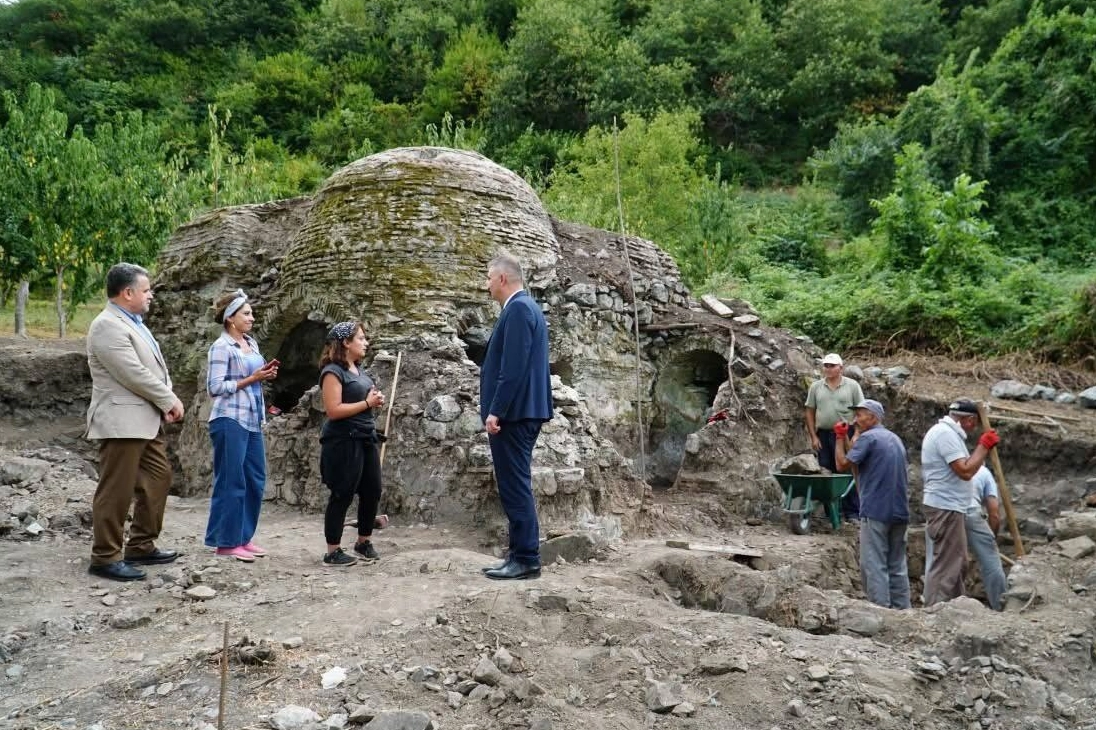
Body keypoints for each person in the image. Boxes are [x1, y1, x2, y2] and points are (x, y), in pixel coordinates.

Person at [85, 263, 185, 582]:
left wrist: (162, 399)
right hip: (121, 420)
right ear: (127, 293)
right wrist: (168, 398)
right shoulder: (106, 325)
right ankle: (105, 556)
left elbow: (150, 368)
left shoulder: (134, 322)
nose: (150, 295)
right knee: (117, 489)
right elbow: (132, 373)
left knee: (159, 477)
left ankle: (140, 544)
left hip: (144, 419)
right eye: (146, 290)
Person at [479, 252, 553, 581]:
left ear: (503, 279)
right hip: (520, 412)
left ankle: (525, 558)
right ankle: (519, 555)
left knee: (514, 486)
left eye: (488, 278)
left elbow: (512, 369)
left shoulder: (520, 309)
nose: (486, 284)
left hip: (516, 414)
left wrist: (496, 410)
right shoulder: (523, 308)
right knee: (514, 484)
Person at [204, 289, 279, 562]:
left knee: (255, 480)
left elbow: (252, 377)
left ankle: (243, 538)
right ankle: (226, 542)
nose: (252, 317)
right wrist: (252, 378)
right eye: (246, 314)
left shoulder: (252, 343)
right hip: (229, 419)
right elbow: (215, 388)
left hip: (252, 419)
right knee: (231, 481)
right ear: (230, 318)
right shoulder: (221, 348)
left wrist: (264, 375)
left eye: (251, 313)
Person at [318, 321, 386, 566]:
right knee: (342, 493)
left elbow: (363, 400)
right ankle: (332, 550)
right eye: (361, 338)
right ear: (346, 343)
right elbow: (333, 410)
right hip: (343, 440)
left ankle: (363, 541)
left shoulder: (359, 370)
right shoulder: (332, 372)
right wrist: (367, 403)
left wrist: (375, 400)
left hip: (365, 436)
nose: (365, 342)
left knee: (372, 489)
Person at [921, 398, 1000, 606]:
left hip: (952, 506)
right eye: (974, 422)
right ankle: (935, 611)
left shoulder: (948, 433)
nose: (973, 427)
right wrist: (983, 447)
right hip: (945, 506)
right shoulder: (945, 435)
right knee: (946, 564)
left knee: (958, 563)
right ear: (970, 420)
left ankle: (954, 608)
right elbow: (964, 471)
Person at [834, 399, 911, 609]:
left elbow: (842, 464)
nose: (856, 419)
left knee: (874, 564)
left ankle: (880, 611)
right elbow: (856, 459)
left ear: (874, 417)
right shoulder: (893, 438)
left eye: (860, 414)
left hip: (876, 510)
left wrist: (840, 438)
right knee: (897, 565)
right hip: (900, 511)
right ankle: (903, 611)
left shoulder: (869, 438)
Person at [924, 465, 1007, 610]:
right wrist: (991, 538)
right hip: (970, 512)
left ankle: (933, 605)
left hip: (942, 511)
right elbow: (994, 512)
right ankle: (1001, 605)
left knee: (936, 561)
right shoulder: (985, 472)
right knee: (991, 562)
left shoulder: (946, 467)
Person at [804, 353, 864, 520]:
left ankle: (852, 512)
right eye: (826, 366)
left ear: (841, 368)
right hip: (823, 434)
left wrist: (857, 434)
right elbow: (809, 410)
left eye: (832, 366)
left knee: (847, 472)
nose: (828, 369)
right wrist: (813, 437)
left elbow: (861, 410)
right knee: (826, 471)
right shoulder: (816, 387)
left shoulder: (852, 386)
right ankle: (831, 512)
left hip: (846, 433)